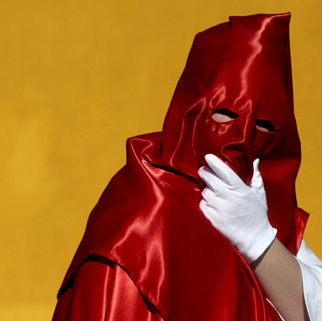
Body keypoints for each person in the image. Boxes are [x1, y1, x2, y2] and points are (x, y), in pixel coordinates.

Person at [52, 13, 322, 321]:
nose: (243, 136)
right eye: (227, 112)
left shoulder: (263, 208)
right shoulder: (143, 221)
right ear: (192, 106)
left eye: (264, 123)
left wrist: (260, 241)